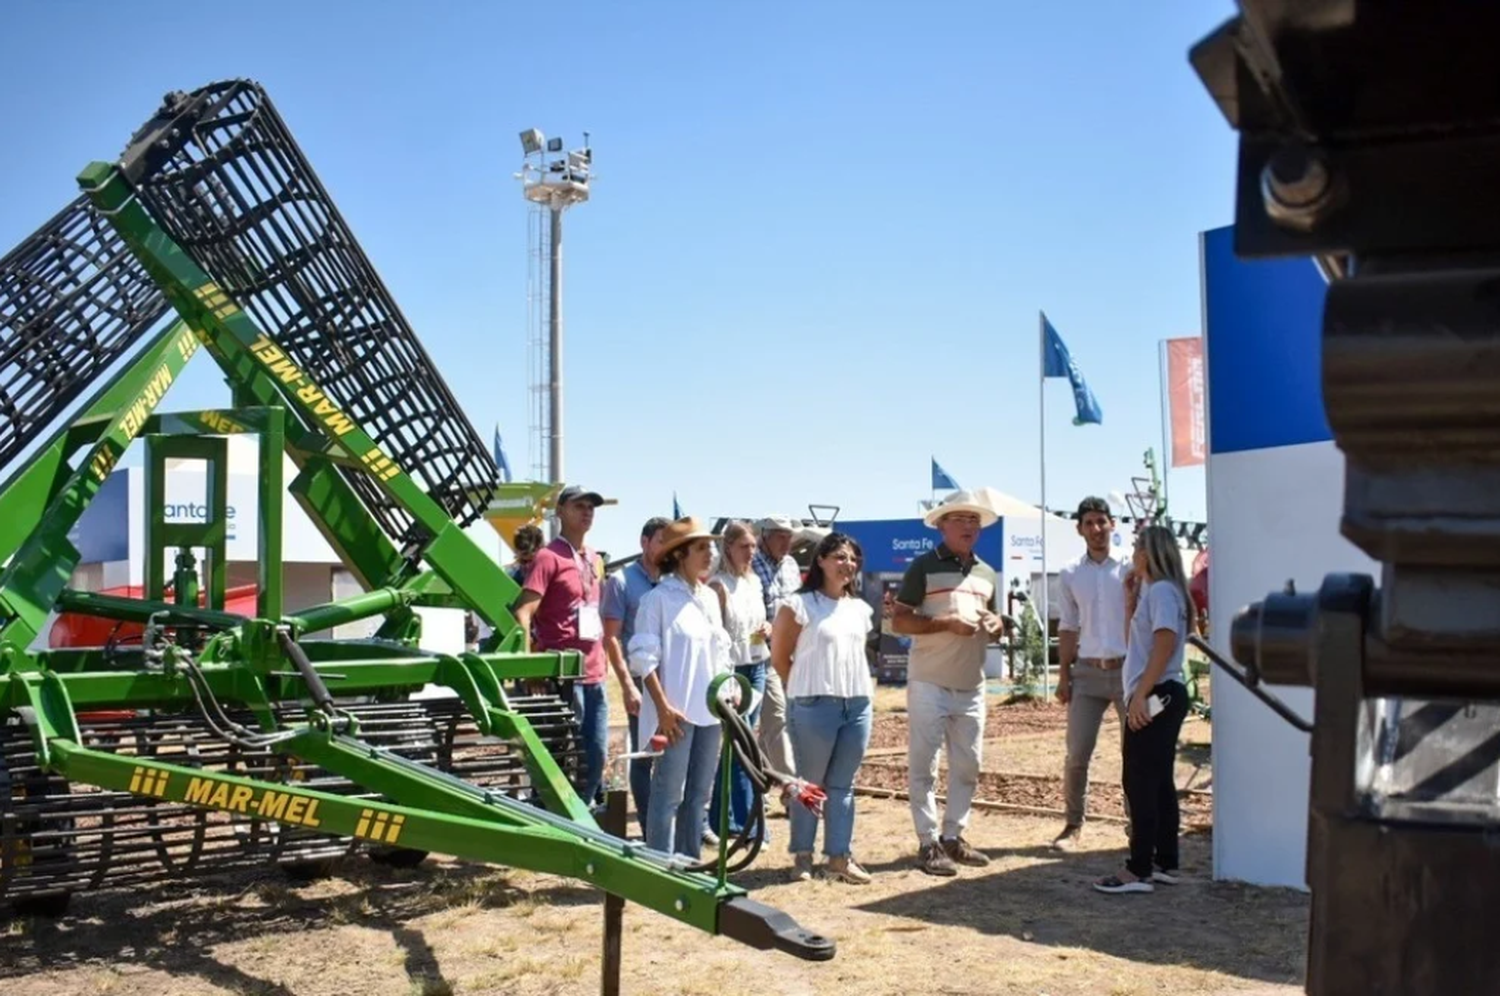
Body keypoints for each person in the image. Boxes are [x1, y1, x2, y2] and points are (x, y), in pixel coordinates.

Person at [890, 490, 1005, 877]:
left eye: (974, 520)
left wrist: (996, 624)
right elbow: (900, 621)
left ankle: (954, 836)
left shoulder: (987, 573)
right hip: (929, 681)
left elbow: (997, 621)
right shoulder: (922, 567)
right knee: (924, 765)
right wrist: (946, 624)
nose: (969, 526)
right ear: (941, 525)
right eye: (960, 519)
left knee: (968, 765)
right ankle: (928, 842)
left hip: (971, 685)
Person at [512, 486, 635, 810]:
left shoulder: (593, 558)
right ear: (560, 511)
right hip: (559, 674)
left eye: (591, 507)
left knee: (594, 753)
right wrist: (528, 668)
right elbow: (523, 612)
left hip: (593, 672)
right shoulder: (548, 557)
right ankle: (546, 819)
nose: (587, 512)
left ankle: (580, 816)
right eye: (579, 505)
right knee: (553, 755)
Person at [1094, 524, 1195, 895]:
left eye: (1137, 547)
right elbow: (1135, 643)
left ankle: (1138, 869)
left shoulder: (1164, 591)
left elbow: (1164, 643)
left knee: (1138, 778)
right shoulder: (1158, 592)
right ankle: (1164, 860)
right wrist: (1129, 603)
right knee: (1157, 778)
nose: (1133, 552)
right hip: (1164, 692)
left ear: (1149, 553)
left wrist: (1140, 695)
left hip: (1159, 693)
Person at [771, 532, 876, 884]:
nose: (847, 565)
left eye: (852, 559)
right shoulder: (800, 605)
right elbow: (779, 657)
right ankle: (802, 856)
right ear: (821, 560)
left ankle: (839, 858)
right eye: (840, 557)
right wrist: (803, 690)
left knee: (843, 786)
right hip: (813, 705)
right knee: (810, 784)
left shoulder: (861, 610)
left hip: (857, 705)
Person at [627, 517, 733, 857]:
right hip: (675, 711)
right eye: (701, 547)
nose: (710, 553)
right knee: (669, 791)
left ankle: (690, 862)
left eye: (711, 547)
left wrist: (729, 694)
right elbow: (644, 659)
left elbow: (720, 654)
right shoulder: (657, 600)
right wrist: (662, 708)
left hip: (711, 710)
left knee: (699, 793)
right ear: (680, 555)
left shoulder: (710, 598)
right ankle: (660, 864)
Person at [1052, 496, 1132, 851]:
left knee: (1136, 755)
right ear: (1079, 529)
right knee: (1077, 753)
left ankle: (1137, 826)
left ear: (1113, 524)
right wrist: (1064, 676)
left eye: (1102, 521)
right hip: (1086, 675)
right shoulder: (1070, 573)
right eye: (1089, 523)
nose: (1097, 529)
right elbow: (1068, 627)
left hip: (1130, 672)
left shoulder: (1132, 569)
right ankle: (1073, 826)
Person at [600, 516, 670, 832]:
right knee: (644, 757)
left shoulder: (675, 582)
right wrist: (628, 686)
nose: (667, 548)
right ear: (644, 542)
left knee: (672, 754)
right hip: (642, 681)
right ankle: (648, 827)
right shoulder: (622, 582)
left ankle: (669, 824)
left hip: (674, 679)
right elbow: (611, 637)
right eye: (661, 540)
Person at [707, 520, 770, 840]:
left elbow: (761, 620)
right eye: (744, 546)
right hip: (732, 672)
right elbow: (715, 638)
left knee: (741, 745)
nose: (750, 552)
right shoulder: (718, 586)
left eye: (754, 546)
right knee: (741, 744)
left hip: (756, 666)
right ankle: (746, 822)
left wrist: (767, 630)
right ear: (728, 547)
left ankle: (725, 819)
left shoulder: (754, 582)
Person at [751, 516, 802, 803]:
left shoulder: (792, 565)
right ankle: (791, 790)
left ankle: (758, 783)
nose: (786, 542)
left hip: (792, 650)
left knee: (777, 721)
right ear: (765, 536)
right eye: (780, 536)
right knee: (777, 717)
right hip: (762, 651)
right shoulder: (751, 562)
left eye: (789, 536)